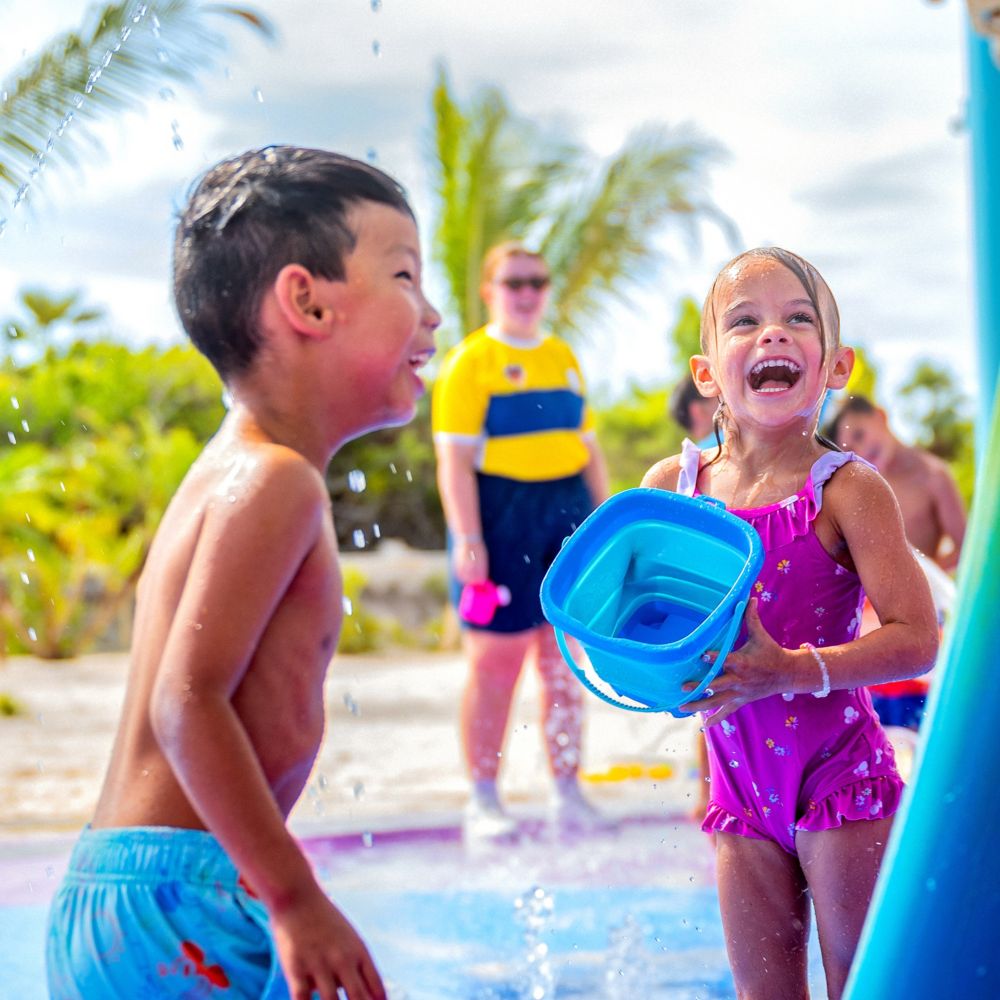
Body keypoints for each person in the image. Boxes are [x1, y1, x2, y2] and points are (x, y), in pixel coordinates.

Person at [45, 146, 440, 999]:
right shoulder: (276, 480)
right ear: (306, 300)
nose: (432, 314)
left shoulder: (229, 470)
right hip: (181, 903)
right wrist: (294, 898)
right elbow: (186, 701)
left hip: (127, 888)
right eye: (406, 276)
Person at [641, 247, 938, 1000]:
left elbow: (918, 636)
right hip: (737, 785)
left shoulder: (847, 490)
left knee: (861, 984)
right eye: (746, 322)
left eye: (796, 320)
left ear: (835, 366)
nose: (772, 334)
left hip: (838, 772)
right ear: (708, 372)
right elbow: (642, 625)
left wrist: (793, 670)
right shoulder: (670, 491)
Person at [432, 240, 610, 839]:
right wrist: (467, 538)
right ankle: (483, 798)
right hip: (499, 514)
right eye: (515, 283)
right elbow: (452, 462)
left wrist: (605, 524)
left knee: (564, 661)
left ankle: (567, 792)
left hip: (565, 514)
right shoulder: (469, 362)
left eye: (538, 281)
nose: (528, 293)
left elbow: (588, 450)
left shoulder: (562, 356)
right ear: (490, 291)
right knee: (495, 664)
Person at [824, 394, 966, 572]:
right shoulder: (861, 491)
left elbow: (965, 549)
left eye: (859, 435)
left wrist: (923, 578)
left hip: (918, 589)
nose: (861, 451)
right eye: (851, 451)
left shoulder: (933, 475)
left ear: (880, 416)